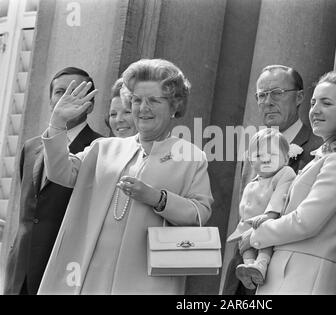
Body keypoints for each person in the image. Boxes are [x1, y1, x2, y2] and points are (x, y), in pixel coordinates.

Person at [37, 59, 213, 294]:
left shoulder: (192, 157)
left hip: (147, 282)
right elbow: (59, 172)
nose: (143, 108)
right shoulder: (103, 148)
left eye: (154, 100)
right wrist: (58, 123)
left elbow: (200, 215)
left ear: (174, 106)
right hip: (86, 277)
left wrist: (158, 198)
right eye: (137, 100)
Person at [239, 67, 336, 294]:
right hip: (287, 274)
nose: (315, 110)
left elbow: (305, 221)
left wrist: (255, 235)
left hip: (303, 278)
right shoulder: (328, 156)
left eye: (326, 103)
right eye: (314, 102)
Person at [221, 65, 322, 295]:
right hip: (242, 274)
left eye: (277, 93)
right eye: (262, 95)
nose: (268, 101)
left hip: (288, 275)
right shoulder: (252, 151)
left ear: (299, 97)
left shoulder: (318, 149)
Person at [3, 67, 103, 295]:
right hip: (20, 268)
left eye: (76, 91)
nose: (66, 97)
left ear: (92, 103)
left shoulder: (101, 148)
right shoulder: (31, 147)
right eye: (59, 91)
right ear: (50, 100)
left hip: (65, 269)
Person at [227, 128, 295, 289]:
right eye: (258, 155)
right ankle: (248, 266)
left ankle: (260, 265)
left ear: (285, 159)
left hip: (268, 223)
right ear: (251, 162)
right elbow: (245, 207)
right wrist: (242, 227)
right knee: (245, 247)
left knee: (265, 243)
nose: (265, 159)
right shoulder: (253, 184)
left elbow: (279, 195)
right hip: (249, 227)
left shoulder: (284, 174)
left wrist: (269, 215)